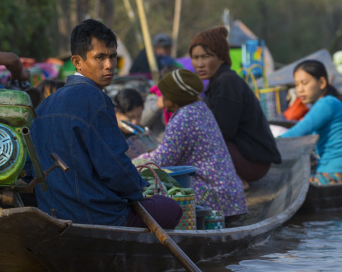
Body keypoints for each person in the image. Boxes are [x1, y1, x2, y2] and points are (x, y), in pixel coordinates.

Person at [29, 18, 182, 229]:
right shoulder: (95, 99)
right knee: (172, 208)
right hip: (97, 216)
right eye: (99, 57)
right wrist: (137, 191)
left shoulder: (43, 107)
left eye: (112, 56)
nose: (109, 65)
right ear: (77, 62)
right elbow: (115, 168)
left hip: (52, 212)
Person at [134, 69, 248, 219]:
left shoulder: (183, 118)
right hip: (232, 197)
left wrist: (134, 162)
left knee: (155, 184)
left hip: (214, 199)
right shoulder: (201, 109)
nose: (162, 99)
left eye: (164, 95)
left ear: (174, 98)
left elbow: (162, 160)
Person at [189, 26, 281, 185]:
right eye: (195, 58)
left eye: (206, 56)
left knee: (201, 140)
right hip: (246, 158)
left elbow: (223, 131)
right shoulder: (218, 81)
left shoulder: (226, 82)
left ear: (221, 57)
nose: (200, 64)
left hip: (253, 163)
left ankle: (235, 181)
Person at [280, 60, 342, 185]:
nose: (300, 89)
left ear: (322, 83)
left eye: (305, 83)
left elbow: (298, 132)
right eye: (297, 84)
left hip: (333, 172)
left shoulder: (326, 104)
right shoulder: (328, 103)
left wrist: (268, 144)